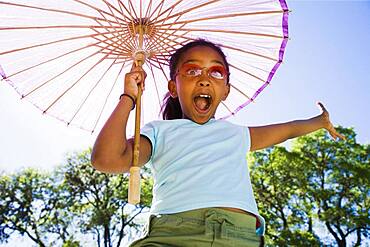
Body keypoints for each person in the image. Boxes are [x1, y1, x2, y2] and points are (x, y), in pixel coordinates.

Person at [91, 39, 345, 247]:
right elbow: (107, 159)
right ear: (173, 87)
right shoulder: (159, 131)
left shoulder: (236, 134)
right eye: (192, 70)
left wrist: (319, 121)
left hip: (239, 237)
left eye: (216, 72)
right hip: (172, 235)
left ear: (225, 90)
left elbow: (287, 130)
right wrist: (129, 97)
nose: (204, 79)